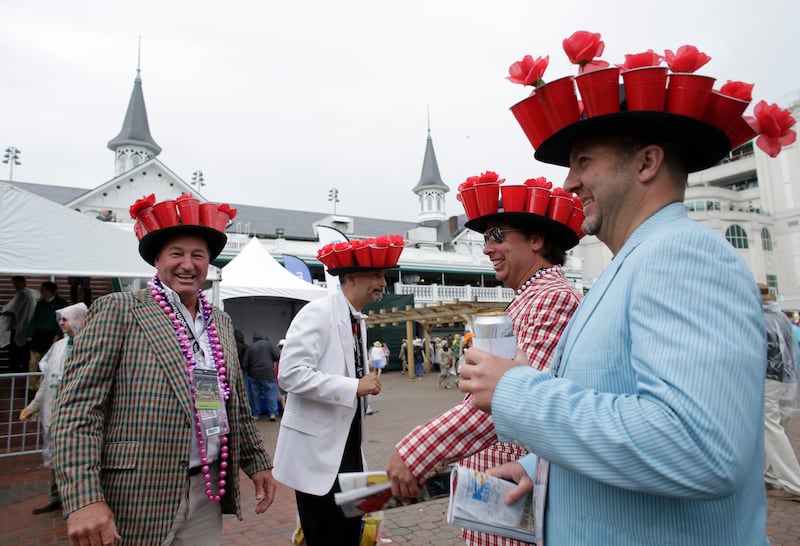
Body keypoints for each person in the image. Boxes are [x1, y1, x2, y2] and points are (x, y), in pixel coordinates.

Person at [458, 32, 796, 544]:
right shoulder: (633, 263)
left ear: (646, 163)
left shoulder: (683, 256)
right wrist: (542, 466)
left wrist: (515, 390)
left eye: (583, 161)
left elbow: (696, 447)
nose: (569, 182)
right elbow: (618, 403)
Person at [51, 195, 276, 545]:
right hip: (135, 495)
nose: (188, 264)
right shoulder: (119, 310)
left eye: (198, 255)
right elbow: (76, 412)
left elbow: (235, 407)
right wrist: (84, 499)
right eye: (176, 254)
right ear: (157, 259)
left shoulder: (219, 321)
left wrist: (257, 461)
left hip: (207, 491)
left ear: (208, 264)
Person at [387, 181, 582, 546]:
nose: (487, 248)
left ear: (536, 240)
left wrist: (417, 451)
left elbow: (510, 402)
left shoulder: (551, 298)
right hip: (504, 483)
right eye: (484, 239)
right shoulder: (533, 297)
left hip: (514, 488)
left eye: (495, 236)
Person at [272, 235, 404, 546]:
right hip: (318, 456)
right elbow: (289, 375)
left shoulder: (357, 318)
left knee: (348, 533)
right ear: (352, 277)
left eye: (383, 275)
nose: (382, 282)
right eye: (375, 275)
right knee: (325, 535)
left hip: (347, 451)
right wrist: (354, 386)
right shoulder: (318, 312)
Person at [20, 302, 88, 515]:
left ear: (80, 320)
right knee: (56, 456)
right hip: (54, 411)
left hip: (79, 415)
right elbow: (47, 379)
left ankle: (80, 501)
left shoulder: (91, 346)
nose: (61, 323)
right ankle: (56, 495)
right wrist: (34, 406)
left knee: (78, 458)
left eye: (65, 319)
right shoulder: (58, 347)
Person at [760, 283, 800, 500]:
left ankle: (793, 482)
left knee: (771, 429)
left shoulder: (759, 318)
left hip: (769, 378)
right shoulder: (782, 318)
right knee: (778, 427)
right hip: (788, 378)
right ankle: (770, 475)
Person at [26, 281, 67, 374]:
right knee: (33, 361)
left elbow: (63, 320)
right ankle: (32, 386)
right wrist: (29, 334)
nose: (41, 292)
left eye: (43, 290)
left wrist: (58, 335)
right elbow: (34, 319)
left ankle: (42, 383)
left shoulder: (61, 303)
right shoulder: (40, 304)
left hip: (51, 334)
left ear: (49, 291)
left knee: (48, 361)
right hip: (38, 334)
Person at [242, 332, 282, 420]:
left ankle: (256, 414)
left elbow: (245, 363)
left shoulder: (251, 347)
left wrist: (247, 371)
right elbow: (277, 356)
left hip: (254, 374)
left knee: (255, 395)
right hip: (268, 373)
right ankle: (273, 413)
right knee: (270, 393)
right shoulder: (270, 345)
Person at [1, 275, 36, 373]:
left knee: (17, 351)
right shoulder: (26, 293)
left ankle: (16, 369)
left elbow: (15, 310)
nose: (15, 285)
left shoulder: (24, 294)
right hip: (20, 325)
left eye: (16, 283)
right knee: (19, 349)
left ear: (22, 283)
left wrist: (6, 312)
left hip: (20, 325)